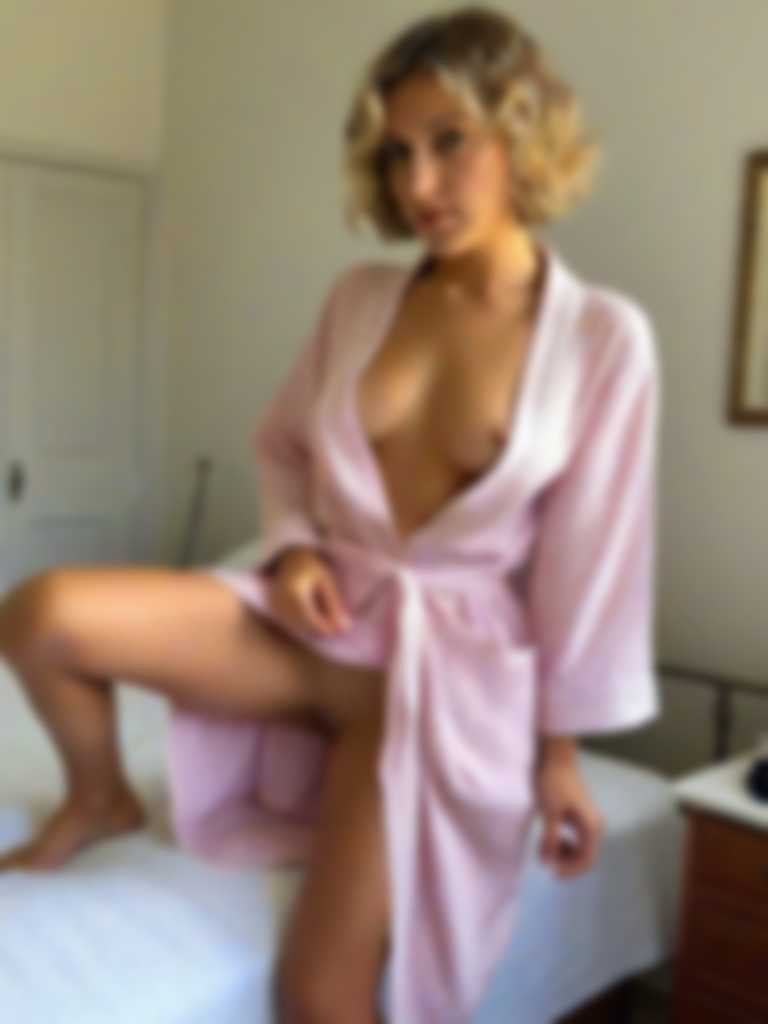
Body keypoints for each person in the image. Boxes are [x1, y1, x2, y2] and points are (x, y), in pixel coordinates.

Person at [0, 6, 661, 1023]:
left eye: (449, 142)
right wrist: (297, 550)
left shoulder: (601, 341)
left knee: (317, 994)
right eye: (398, 153)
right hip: (317, 629)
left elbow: (593, 568)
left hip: (431, 683)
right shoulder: (361, 299)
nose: (419, 184)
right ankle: (102, 796)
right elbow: (284, 446)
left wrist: (561, 758)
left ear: (522, 134)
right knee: (42, 613)